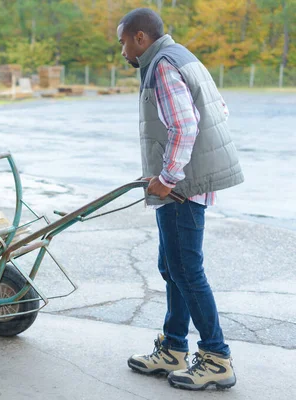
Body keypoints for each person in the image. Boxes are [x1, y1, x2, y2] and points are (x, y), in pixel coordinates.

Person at [117, 8, 244, 390]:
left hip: (181, 187)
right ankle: (173, 348)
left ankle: (216, 357)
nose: (121, 49)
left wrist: (169, 175)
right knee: (172, 266)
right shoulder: (181, 56)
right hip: (182, 183)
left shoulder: (163, 66)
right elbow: (219, 108)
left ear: (140, 38)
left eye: (123, 41)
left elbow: (185, 125)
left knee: (186, 270)